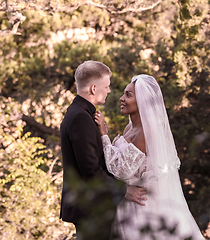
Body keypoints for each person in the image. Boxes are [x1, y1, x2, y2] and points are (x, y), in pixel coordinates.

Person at [94, 74, 205, 240]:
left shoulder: (146, 133)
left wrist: (104, 136)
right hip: (128, 203)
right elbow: (123, 162)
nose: (121, 98)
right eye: (124, 94)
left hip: (141, 208)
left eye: (128, 95)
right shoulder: (130, 128)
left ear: (143, 102)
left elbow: (122, 172)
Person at [60, 61, 147, 240]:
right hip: (90, 208)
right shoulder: (80, 118)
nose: (109, 91)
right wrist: (124, 190)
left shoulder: (79, 113)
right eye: (106, 86)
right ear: (93, 88)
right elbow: (90, 169)